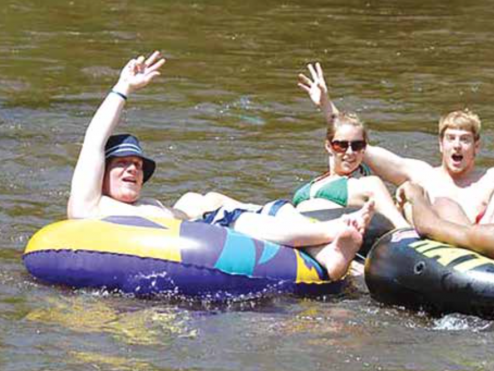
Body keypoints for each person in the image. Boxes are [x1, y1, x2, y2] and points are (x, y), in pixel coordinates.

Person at [66, 51, 368, 280]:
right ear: (100, 173)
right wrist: (122, 88)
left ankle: (332, 253)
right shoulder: (91, 206)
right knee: (240, 223)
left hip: (220, 216)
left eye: (137, 165)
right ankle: (333, 234)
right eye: (122, 164)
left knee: (217, 204)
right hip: (212, 230)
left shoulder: (148, 204)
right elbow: (93, 141)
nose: (133, 169)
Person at [299, 64, 494, 227]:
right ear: (440, 144)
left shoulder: (492, 177)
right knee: (410, 192)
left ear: (476, 146)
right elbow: (354, 145)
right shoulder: (420, 173)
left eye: (465, 140)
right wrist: (326, 104)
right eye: (451, 139)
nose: (457, 146)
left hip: (486, 246)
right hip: (431, 249)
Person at [293, 63, 410, 229]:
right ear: (329, 146)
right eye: (341, 145)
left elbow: (398, 225)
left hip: (329, 234)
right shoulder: (318, 181)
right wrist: (325, 103)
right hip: (294, 233)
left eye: (357, 145)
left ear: (364, 148)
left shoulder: (366, 184)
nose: (350, 152)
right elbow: (337, 125)